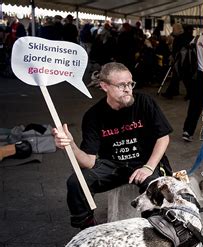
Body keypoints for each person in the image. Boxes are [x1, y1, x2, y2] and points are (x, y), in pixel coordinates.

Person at [52, 62, 173, 229]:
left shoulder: (144, 103)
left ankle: (157, 229)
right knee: (76, 182)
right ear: (104, 86)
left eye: (130, 83)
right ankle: (87, 228)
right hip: (113, 165)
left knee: (155, 189)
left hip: (145, 162)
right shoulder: (93, 116)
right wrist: (70, 145)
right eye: (121, 85)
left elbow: (163, 137)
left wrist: (148, 167)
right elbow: (89, 162)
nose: (128, 89)